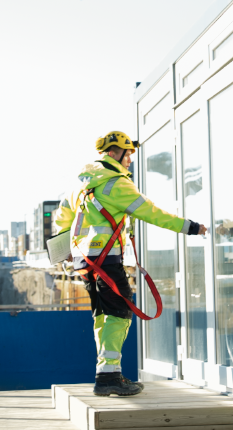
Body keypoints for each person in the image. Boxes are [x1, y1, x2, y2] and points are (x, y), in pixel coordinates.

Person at [56, 130, 207, 396]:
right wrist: (192, 228)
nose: (130, 160)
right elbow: (153, 213)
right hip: (106, 260)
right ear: (115, 153)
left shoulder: (81, 185)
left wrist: (62, 245)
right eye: (128, 154)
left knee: (103, 314)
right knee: (119, 312)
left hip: (84, 261)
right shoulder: (117, 184)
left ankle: (106, 373)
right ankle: (109, 376)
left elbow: (63, 215)